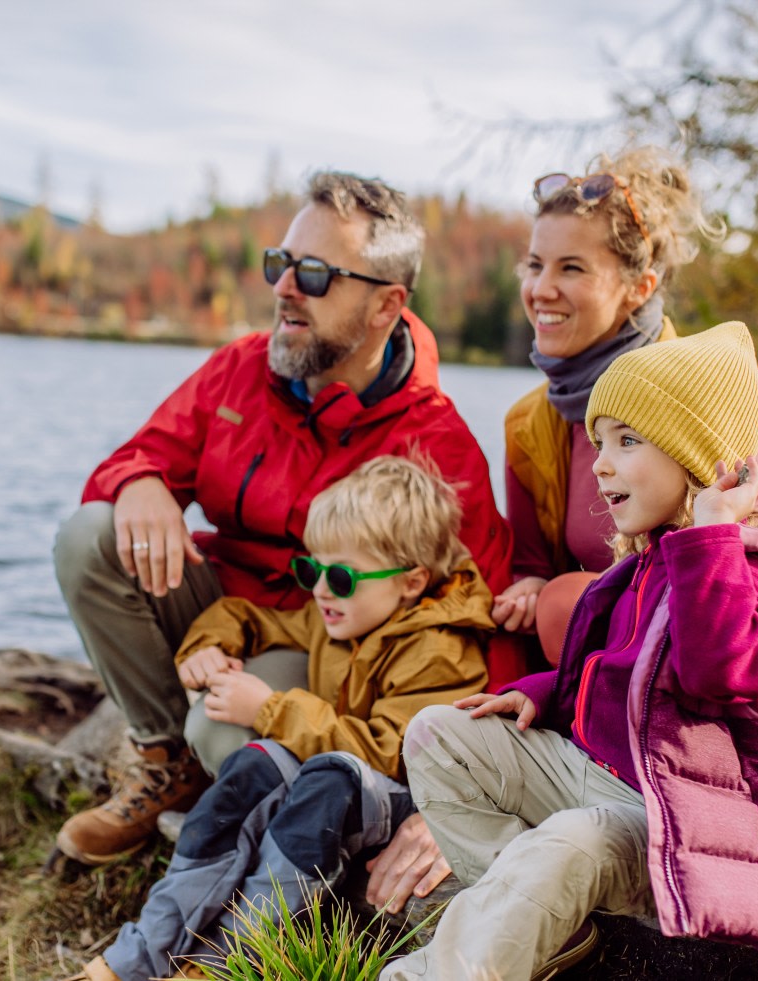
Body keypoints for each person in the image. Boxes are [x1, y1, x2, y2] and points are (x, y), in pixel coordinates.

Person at [51, 171, 513, 899]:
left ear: (387, 304)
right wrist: (139, 480)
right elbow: (138, 456)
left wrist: (461, 795)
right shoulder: (240, 368)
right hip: (224, 608)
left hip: (326, 647)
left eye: (316, 274)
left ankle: (277, 865)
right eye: (281, 263)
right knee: (91, 535)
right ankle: (164, 762)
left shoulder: (437, 442)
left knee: (222, 726)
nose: (286, 288)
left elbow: (487, 610)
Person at [381, 321, 758, 981]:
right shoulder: (646, 562)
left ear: (701, 462)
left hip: (679, 822)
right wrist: (542, 692)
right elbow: (615, 673)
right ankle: (548, 926)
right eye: (599, 441)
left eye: (627, 441)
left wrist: (713, 534)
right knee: (438, 735)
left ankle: (445, 971)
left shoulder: (747, 573)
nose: (600, 463)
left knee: (571, 841)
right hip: (603, 778)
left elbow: (718, 675)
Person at [78, 456, 493, 981]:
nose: (319, 590)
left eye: (339, 576)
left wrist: (270, 709)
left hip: (403, 798)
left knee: (329, 777)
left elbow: (393, 753)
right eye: (311, 570)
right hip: (344, 786)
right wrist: (208, 645)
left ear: (411, 582)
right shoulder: (340, 618)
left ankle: (223, 963)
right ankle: (136, 959)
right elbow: (250, 617)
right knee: (254, 765)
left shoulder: (440, 649)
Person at [493, 147, 758, 666]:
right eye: (534, 265)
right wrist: (528, 588)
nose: (540, 289)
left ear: (639, 288)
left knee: (567, 600)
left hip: (716, 653)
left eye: (571, 268)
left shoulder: (710, 391)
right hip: (599, 663)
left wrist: (581, 601)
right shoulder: (529, 422)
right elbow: (533, 565)